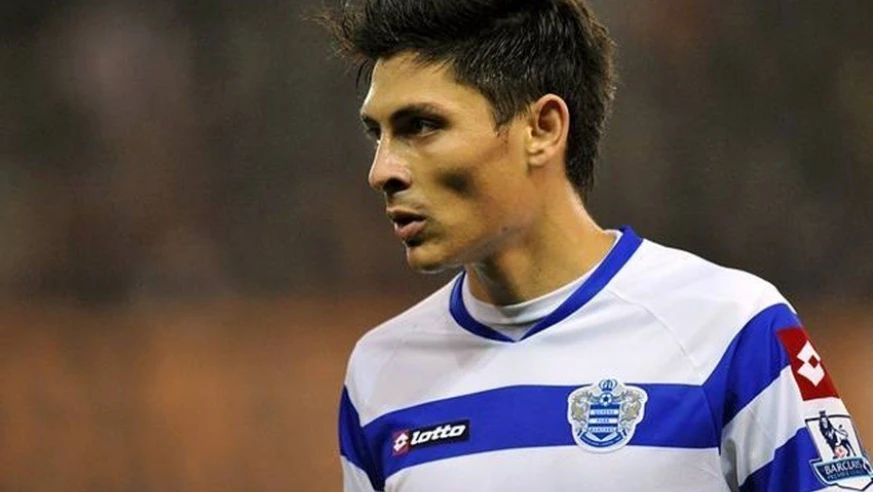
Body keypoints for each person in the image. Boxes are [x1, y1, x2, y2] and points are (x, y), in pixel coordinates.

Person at [320, 1, 871, 490]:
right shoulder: (379, 373)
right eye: (377, 133)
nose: (382, 171)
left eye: (420, 125)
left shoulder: (730, 328)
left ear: (542, 128)